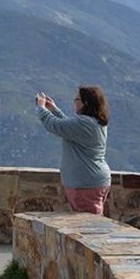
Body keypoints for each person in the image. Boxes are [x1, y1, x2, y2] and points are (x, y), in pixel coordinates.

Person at [35, 86, 111, 215]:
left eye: (76, 99)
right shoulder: (93, 122)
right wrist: (54, 109)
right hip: (92, 180)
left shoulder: (85, 123)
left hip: (85, 183)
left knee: (87, 225)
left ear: (85, 103)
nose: (74, 102)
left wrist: (41, 108)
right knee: (90, 222)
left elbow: (55, 125)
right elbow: (69, 126)